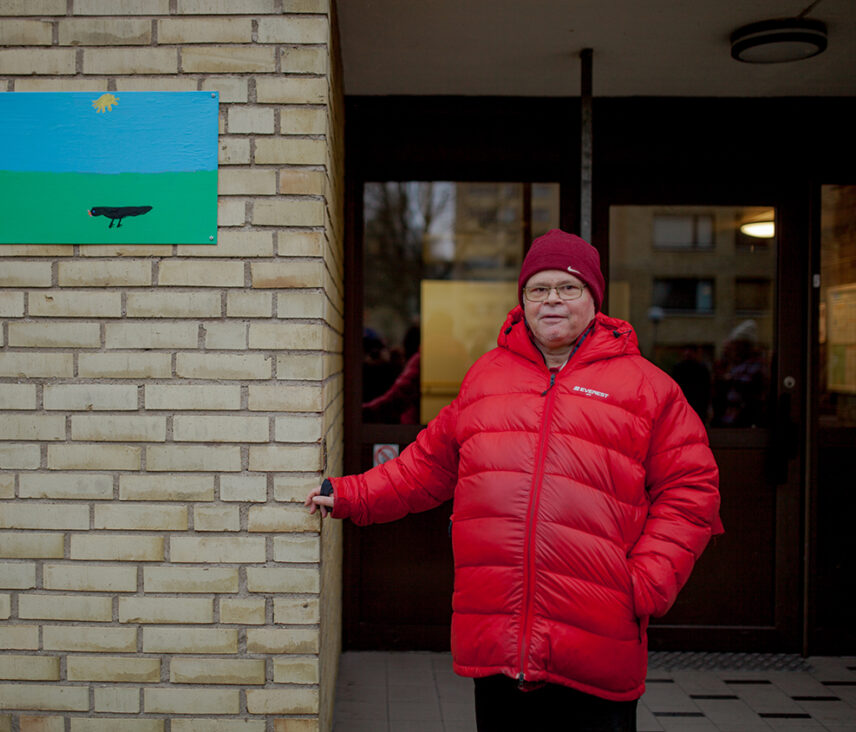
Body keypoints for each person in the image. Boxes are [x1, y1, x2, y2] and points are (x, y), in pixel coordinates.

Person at [306, 229, 722, 732]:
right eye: (537, 289)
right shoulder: (487, 376)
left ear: (594, 299)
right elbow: (428, 464)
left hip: (597, 637)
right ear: (522, 300)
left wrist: (645, 583)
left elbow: (692, 489)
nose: (551, 300)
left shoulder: (648, 388)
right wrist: (349, 494)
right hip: (499, 637)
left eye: (568, 288)